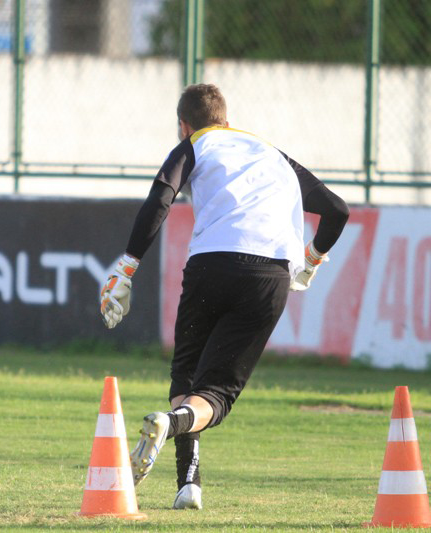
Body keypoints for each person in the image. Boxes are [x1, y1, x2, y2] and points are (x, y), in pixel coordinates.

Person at [100, 84, 349, 509]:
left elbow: (161, 196)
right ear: (227, 120)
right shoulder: (270, 152)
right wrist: (310, 260)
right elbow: (336, 210)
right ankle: (187, 479)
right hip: (268, 274)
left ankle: (185, 472)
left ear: (184, 125)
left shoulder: (195, 143)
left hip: (211, 265)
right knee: (216, 393)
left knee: (187, 374)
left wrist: (127, 266)